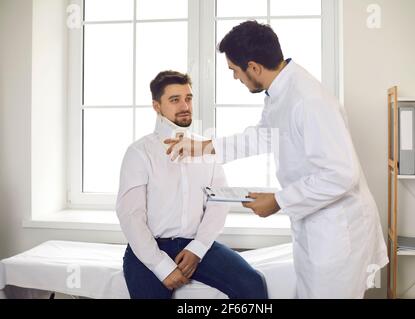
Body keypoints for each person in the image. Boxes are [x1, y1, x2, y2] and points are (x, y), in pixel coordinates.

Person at [165, 21, 388, 298]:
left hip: (337, 233)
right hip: (315, 227)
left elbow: (341, 175)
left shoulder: (308, 100)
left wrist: (278, 200)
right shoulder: (281, 90)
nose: (236, 78)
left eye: (235, 71)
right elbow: (264, 136)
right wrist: (204, 146)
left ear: (254, 67)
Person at [116, 70, 268, 299]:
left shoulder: (205, 147)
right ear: (157, 106)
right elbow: (131, 216)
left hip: (196, 244)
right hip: (150, 249)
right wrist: (161, 266)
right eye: (174, 100)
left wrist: (197, 248)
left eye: (188, 98)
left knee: (252, 284)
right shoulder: (139, 152)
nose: (185, 105)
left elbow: (218, 203)